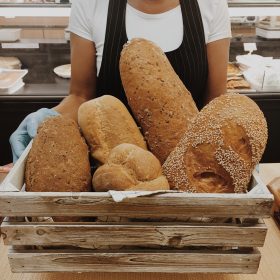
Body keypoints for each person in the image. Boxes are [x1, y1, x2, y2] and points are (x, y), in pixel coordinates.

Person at [9, 0, 232, 162]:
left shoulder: (211, 5)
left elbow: (216, 100)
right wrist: (50, 119)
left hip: (190, 164)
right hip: (112, 168)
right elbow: (81, 96)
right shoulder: (91, 4)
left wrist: (231, 145)